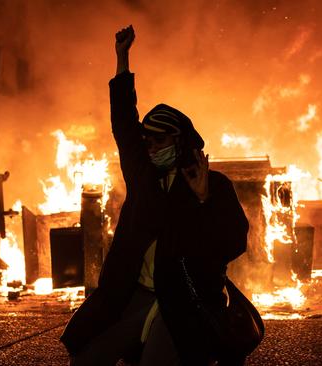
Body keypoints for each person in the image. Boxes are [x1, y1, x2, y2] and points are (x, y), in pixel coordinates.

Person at [60, 25, 250, 365]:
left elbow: (234, 243)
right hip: (134, 293)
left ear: (178, 143)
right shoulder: (144, 177)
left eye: (158, 141)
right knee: (87, 356)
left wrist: (205, 200)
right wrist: (122, 58)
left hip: (182, 301)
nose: (148, 148)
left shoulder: (215, 184)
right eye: (146, 141)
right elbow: (124, 124)